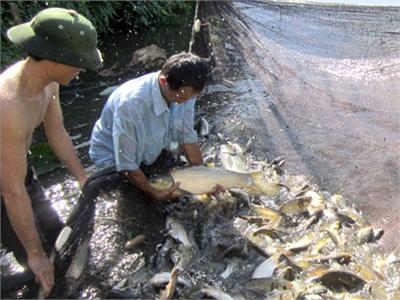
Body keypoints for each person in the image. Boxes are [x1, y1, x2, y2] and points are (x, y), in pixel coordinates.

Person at [0, 7, 103, 296]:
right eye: (78, 63)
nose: (81, 70)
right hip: (6, 186)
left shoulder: (49, 85)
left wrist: (82, 176)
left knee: (61, 237)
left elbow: (57, 133)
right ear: (55, 59)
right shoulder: (9, 106)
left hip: (19, 173)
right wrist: (35, 254)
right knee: (41, 263)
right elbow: (12, 192)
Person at [90, 52, 223, 201]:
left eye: (190, 97)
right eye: (182, 96)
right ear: (163, 81)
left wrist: (205, 179)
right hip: (113, 156)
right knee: (130, 200)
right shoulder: (130, 105)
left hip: (150, 147)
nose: (185, 101)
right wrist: (153, 192)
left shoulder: (185, 91)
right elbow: (127, 163)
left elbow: (186, 136)